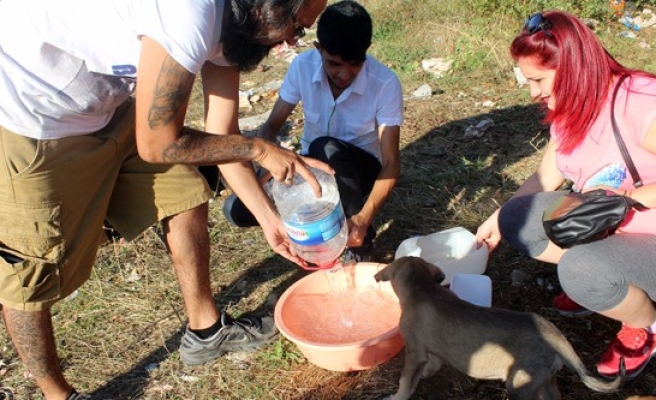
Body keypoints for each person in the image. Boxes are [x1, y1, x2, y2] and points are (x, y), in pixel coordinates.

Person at [0, 0, 330, 398]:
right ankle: (57, 394)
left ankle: (205, 330)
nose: (293, 41)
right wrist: (261, 150)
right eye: (296, 25)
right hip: (32, 115)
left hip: (106, 106)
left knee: (184, 188)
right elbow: (159, 143)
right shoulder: (189, 12)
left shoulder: (236, 25)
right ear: (267, 6)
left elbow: (221, 132)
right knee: (32, 271)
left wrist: (269, 220)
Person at [475, 10, 656, 380]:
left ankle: (647, 326)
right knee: (517, 219)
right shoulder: (570, 106)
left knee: (580, 269)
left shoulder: (638, 102)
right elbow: (546, 174)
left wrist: (630, 197)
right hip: (609, 225)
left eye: (539, 79)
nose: (534, 92)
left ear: (573, 68)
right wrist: (498, 217)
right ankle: (604, 282)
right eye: (526, 80)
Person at [222, 0, 404, 263]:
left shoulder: (385, 83)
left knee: (325, 147)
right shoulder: (302, 67)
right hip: (314, 169)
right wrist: (266, 169)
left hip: (360, 170)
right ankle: (317, 226)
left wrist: (363, 219)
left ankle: (358, 243)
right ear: (319, 49)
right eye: (334, 64)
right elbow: (271, 126)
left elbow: (391, 164)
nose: (344, 74)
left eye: (354, 65)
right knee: (236, 209)